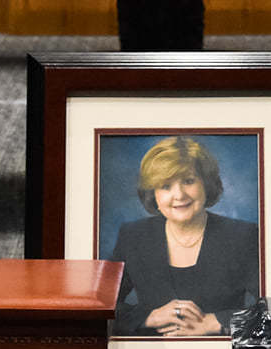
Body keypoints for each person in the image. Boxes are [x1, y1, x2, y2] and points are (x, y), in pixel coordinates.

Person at [107, 136, 259, 337]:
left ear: (206, 185)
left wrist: (217, 322)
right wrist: (148, 317)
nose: (179, 195)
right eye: (165, 186)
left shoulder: (243, 236)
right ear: (153, 194)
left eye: (188, 181)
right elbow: (100, 307)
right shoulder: (133, 236)